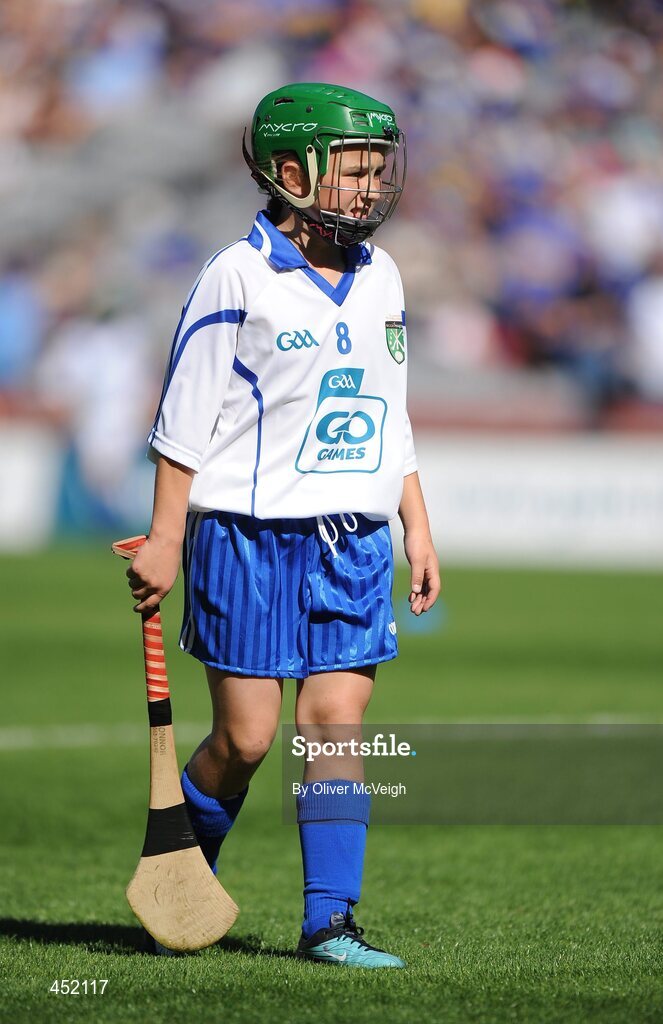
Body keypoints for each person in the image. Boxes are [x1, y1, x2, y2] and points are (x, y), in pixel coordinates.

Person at [127, 82, 440, 968]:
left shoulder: (382, 273)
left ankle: (330, 923)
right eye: (351, 171)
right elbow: (184, 417)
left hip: (354, 538)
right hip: (247, 539)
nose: (371, 187)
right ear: (288, 169)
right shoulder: (237, 273)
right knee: (246, 738)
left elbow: (391, 412)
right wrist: (165, 536)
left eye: (379, 170)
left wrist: (416, 525)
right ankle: (180, 881)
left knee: (337, 721)